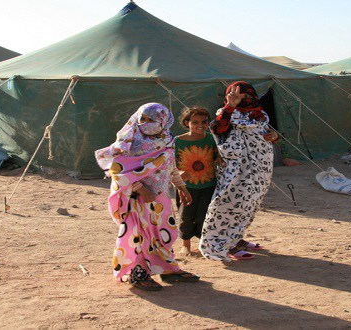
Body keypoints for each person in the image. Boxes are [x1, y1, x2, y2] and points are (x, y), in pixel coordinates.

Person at [95, 102, 200, 291]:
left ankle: (167, 268)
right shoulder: (129, 142)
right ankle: (137, 273)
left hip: (159, 196)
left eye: (151, 120)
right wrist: (140, 189)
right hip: (136, 199)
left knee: (163, 232)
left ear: (163, 122)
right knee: (138, 235)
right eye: (142, 118)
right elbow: (118, 171)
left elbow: (170, 166)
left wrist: (181, 187)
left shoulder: (167, 139)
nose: (144, 123)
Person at [199, 81, 278, 262]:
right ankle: (223, 245)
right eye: (239, 96)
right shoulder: (226, 113)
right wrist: (230, 106)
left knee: (251, 203)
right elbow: (217, 129)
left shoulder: (260, 114)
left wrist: (274, 136)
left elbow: (265, 133)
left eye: (247, 96)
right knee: (231, 204)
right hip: (236, 170)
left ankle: (236, 237)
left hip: (260, 169)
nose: (245, 100)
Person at [174, 106, 219, 256]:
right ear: (187, 123)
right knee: (186, 215)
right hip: (187, 186)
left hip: (208, 184)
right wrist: (179, 173)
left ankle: (203, 243)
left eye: (204, 122)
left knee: (204, 215)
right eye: (195, 122)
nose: (200, 125)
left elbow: (216, 156)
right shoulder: (178, 142)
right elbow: (170, 164)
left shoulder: (211, 139)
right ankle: (185, 244)